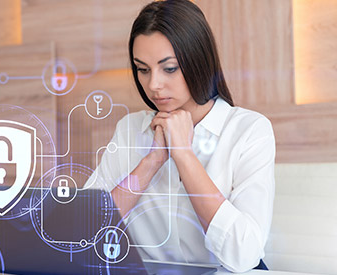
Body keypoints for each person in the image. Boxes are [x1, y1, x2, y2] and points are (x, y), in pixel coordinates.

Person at [85, 0, 275, 273]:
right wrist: (151, 162)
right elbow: (84, 231)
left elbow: (244, 254)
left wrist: (184, 154)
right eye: (143, 69)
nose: (153, 85)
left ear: (198, 60)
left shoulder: (249, 131)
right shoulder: (130, 129)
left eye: (169, 68)